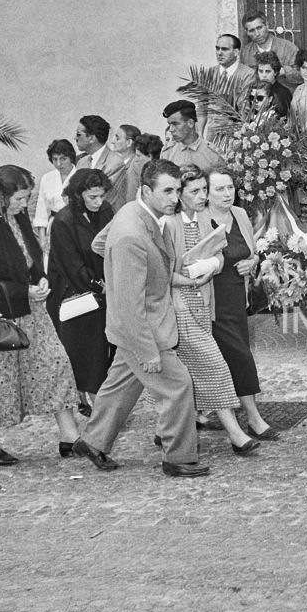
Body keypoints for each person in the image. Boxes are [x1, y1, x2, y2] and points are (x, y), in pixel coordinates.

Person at [73, 159, 207, 477]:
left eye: (177, 190)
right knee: (178, 386)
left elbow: (98, 243)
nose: (174, 198)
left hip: (138, 325)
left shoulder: (131, 212)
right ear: (146, 190)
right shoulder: (131, 235)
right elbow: (129, 306)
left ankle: (93, 441)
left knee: (123, 382)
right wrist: (147, 351)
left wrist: (118, 267)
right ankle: (178, 457)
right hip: (144, 328)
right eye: (167, 191)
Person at [0, 164, 80, 464]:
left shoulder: (20, 219)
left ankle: (70, 436)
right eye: (19, 199)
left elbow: (31, 257)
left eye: (27, 198)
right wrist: (22, 290)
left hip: (30, 311)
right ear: (0, 196)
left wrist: (39, 277)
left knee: (55, 364)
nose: (24, 204)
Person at [163, 165, 260, 456]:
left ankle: (166, 428)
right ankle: (237, 434)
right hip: (180, 305)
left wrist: (213, 265)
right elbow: (163, 269)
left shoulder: (201, 222)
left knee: (183, 372)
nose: (203, 196)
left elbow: (218, 253)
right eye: (197, 191)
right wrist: (191, 276)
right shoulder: (170, 224)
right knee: (213, 366)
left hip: (203, 303)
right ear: (180, 195)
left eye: (205, 189)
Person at [205, 166, 280, 441]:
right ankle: (253, 418)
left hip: (237, 297)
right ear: (206, 193)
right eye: (219, 189)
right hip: (212, 299)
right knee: (237, 357)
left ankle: (245, 416)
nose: (227, 193)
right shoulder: (201, 220)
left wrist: (253, 262)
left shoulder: (239, 214)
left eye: (229, 188)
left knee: (238, 354)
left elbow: (250, 251)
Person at [48, 168, 115, 418]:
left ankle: (95, 400)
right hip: (74, 293)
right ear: (78, 196)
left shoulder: (106, 210)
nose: (99, 202)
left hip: (101, 289)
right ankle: (88, 401)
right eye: (93, 197)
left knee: (101, 350)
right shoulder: (63, 221)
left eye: (101, 196)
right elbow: (71, 265)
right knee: (82, 351)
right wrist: (100, 285)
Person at [197, 35, 255, 140]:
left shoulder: (248, 74)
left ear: (236, 52)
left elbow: (245, 110)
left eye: (225, 49)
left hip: (237, 134)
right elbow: (202, 107)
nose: (219, 53)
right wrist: (200, 135)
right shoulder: (208, 74)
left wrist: (241, 136)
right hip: (212, 135)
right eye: (217, 48)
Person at [32, 138, 76, 252]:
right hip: (53, 226)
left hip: (75, 227)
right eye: (54, 159)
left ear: (71, 157)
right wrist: (42, 239)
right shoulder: (47, 178)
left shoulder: (80, 176)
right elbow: (41, 211)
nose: (58, 164)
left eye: (63, 159)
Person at [162, 99, 225, 173]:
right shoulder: (168, 153)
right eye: (170, 125)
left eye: (175, 124)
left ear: (190, 123)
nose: (171, 129)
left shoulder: (212, 154)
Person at [239, 10, 299, 87]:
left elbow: (303, 75)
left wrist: (283, 71)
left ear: (267, 25)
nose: (257, 34)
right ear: (246, 32)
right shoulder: (245, 53)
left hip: (286, 97)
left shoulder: (288, 48)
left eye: (259, 28)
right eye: (252, 30)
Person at [107, 124, 145, 209]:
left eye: (117, 138)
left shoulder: (136, 166)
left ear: (129, 143)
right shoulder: (114, 164)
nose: (112, 141)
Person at [253, 51, 293, 118]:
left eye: (267, 71)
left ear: (275, 72)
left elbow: (284, 119)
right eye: (260, 71)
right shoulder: (253, 89)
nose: (263, 75)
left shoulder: (283, 93)